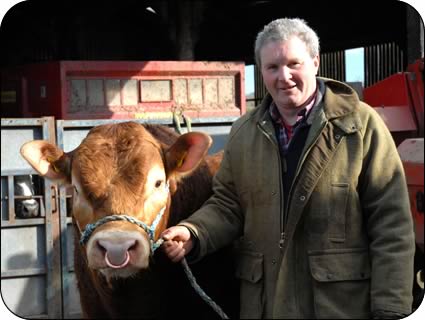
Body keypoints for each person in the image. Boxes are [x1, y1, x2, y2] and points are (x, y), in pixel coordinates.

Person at [161, 18, 415, 319]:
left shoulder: (359, 125)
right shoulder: (245, 132)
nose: (284, 77)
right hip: (266, 304)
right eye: (272, 67)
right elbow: (228, 204)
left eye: (294, 63)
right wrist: (195, 232)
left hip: (339, 306)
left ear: (315, 62)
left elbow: (392, 227)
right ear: (262, 71)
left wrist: (391, 309)